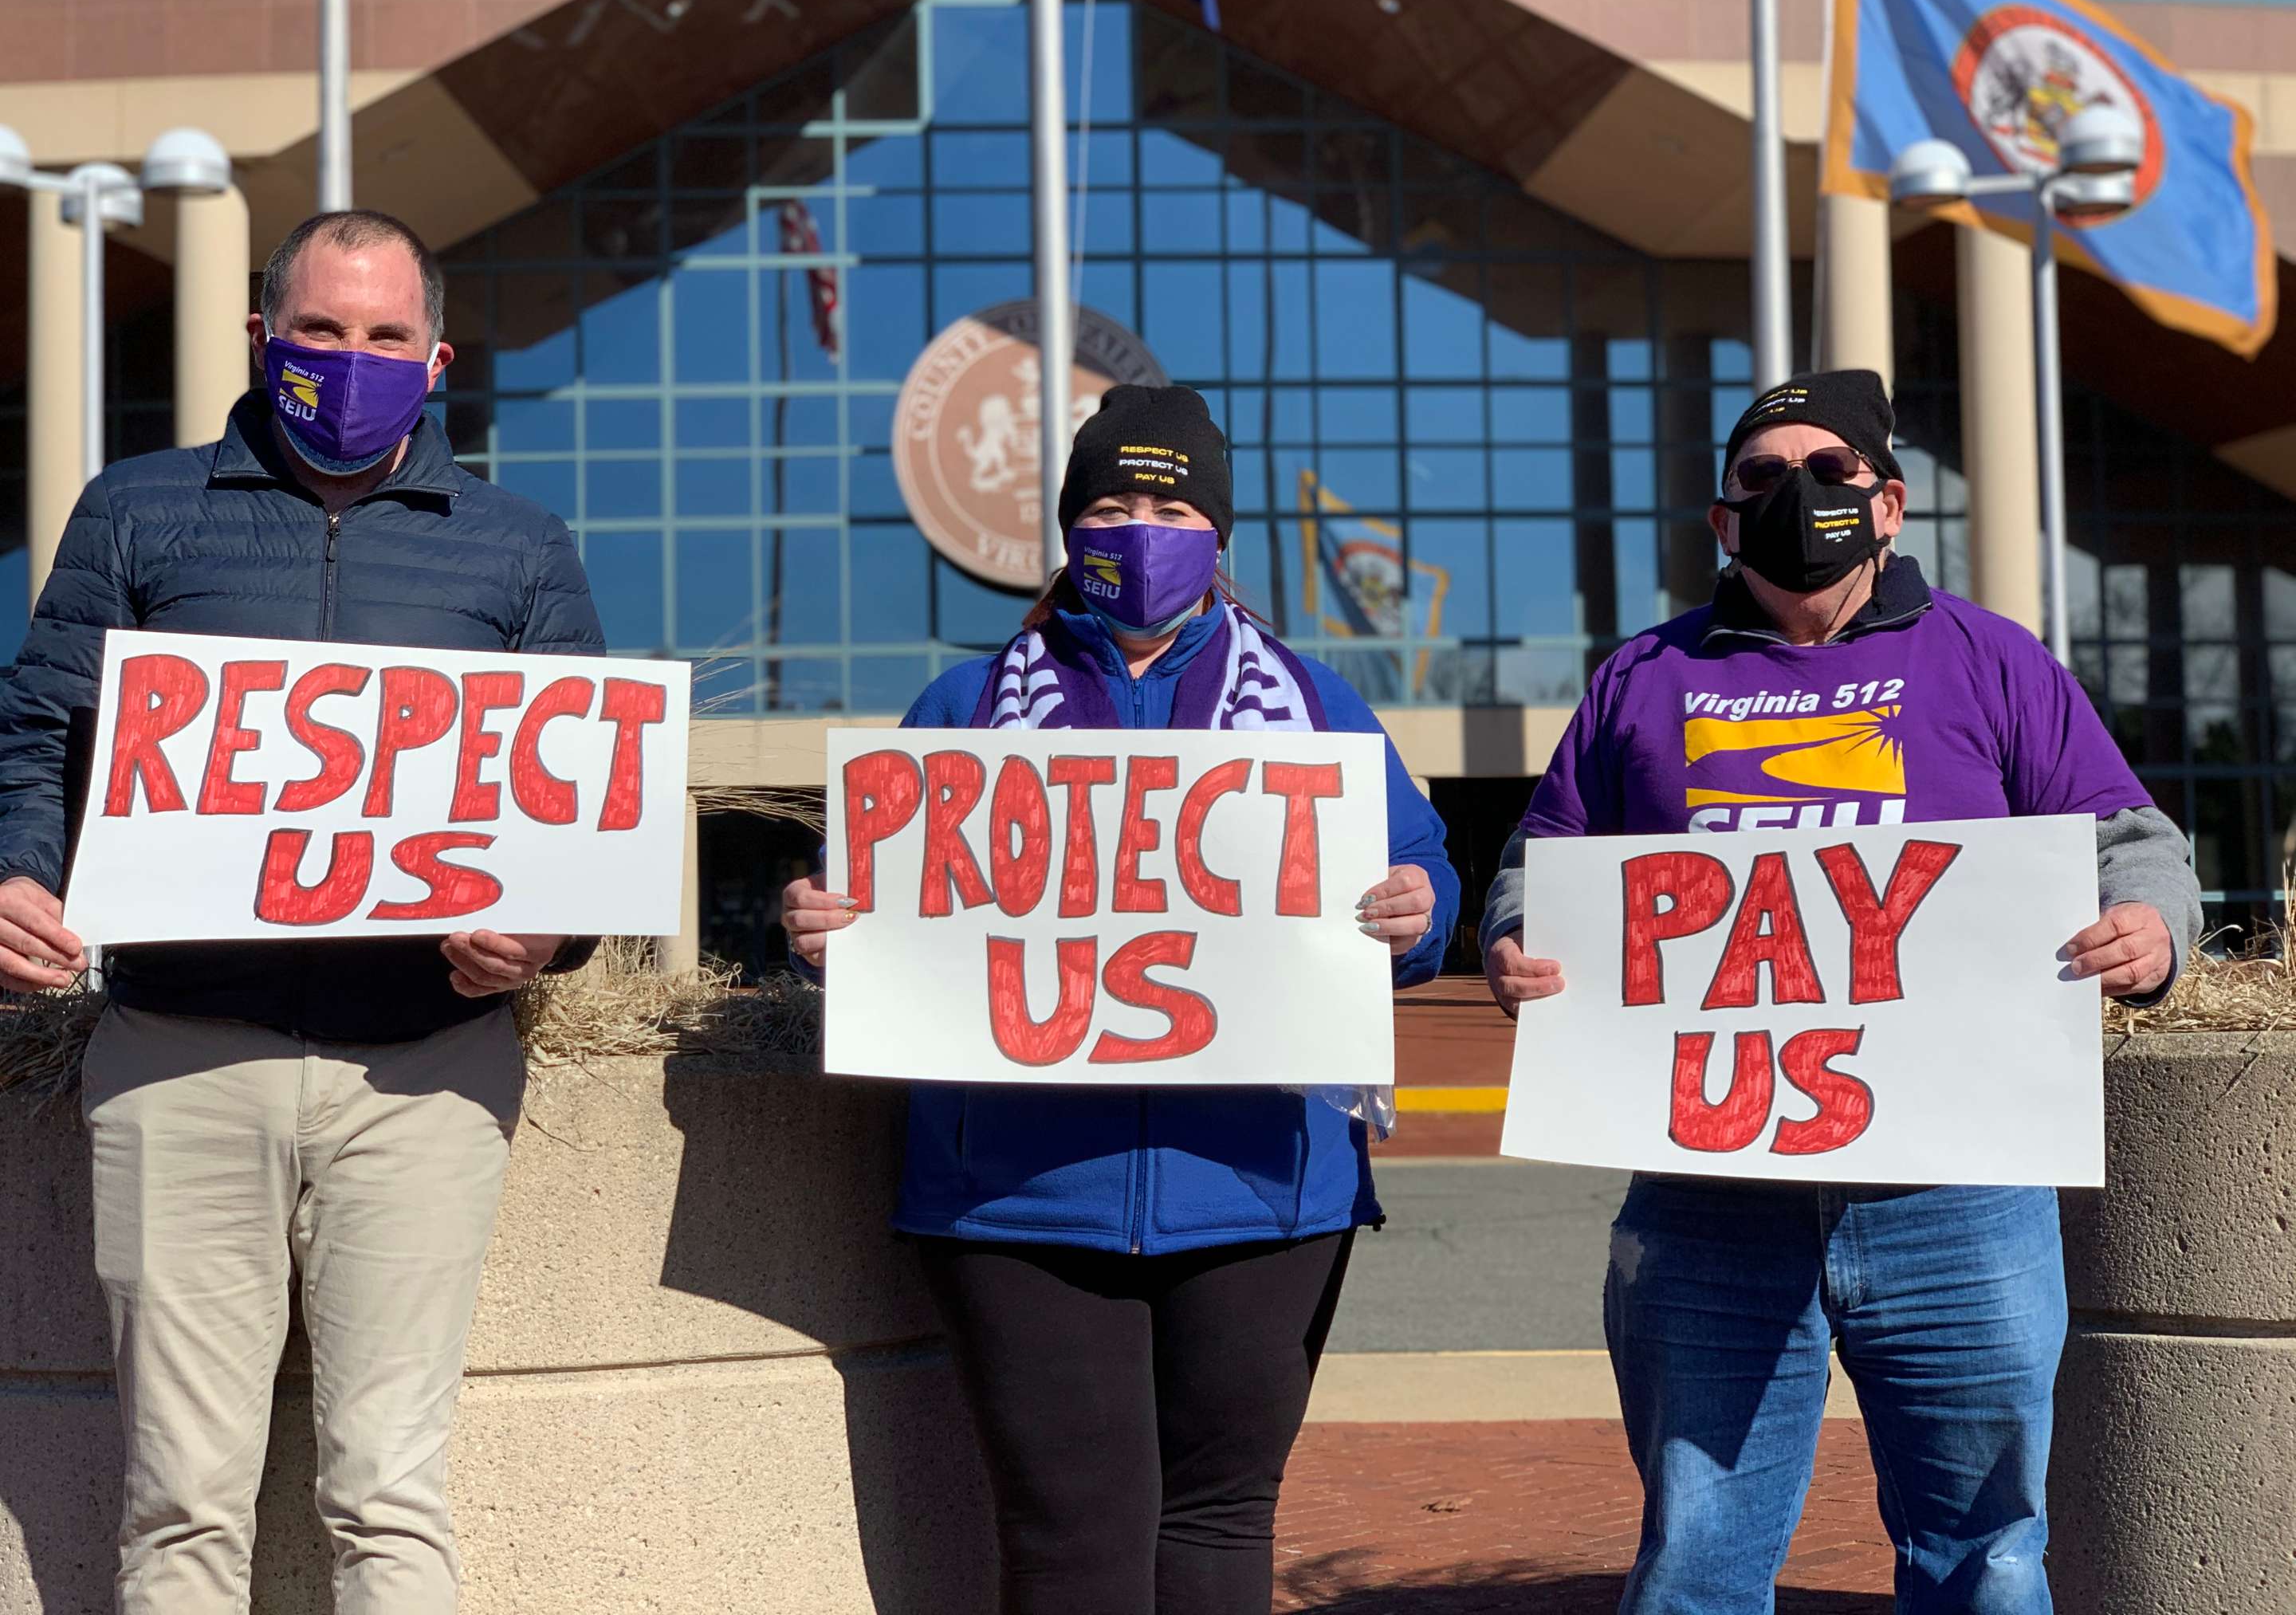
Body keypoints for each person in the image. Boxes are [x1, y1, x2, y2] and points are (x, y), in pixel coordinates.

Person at [1478, 370, 2201, 1615]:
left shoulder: (1991, 660)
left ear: (1890, 504)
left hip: (1961, 1197)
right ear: (1720, 517)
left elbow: (2130, 841)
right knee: (1696, 1559)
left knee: (1986, 1556)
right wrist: (1516, 938)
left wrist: (2154, 931)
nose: (1796, 497)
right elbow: (1538, 871)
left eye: (1830, 472)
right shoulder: (1638, 679)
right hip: (1708, 1198)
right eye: (1762, 478)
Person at [0, 210, 607, 1613]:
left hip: (428, 1073)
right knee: (180, 1508)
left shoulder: (519, 547)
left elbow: (583, 800)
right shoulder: (139, 510)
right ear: (264, 340)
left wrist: (548, 935)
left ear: (437, 358)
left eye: (386, 336)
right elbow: (40, 727)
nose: (352, 360)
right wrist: (19, 870)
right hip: (178, 1057)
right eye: (321, 332)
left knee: (392, 1498)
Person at [785, 384, 1461, 1615]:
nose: (1138, 528)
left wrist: (1419, 909)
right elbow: (865, 908)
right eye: (1108, 504)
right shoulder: (963, 711)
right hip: (1020, 1197)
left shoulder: (1315, 709)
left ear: (1217, 534)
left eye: (1168, 503)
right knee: (1069, 1543)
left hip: (1263, 1190)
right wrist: (820, 930)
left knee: (1218, 1532)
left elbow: (1423, 892)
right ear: (1066, 529)